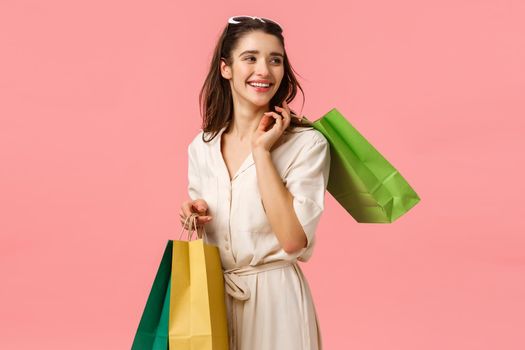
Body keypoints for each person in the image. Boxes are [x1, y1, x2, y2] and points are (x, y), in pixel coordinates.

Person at [179, 15, 330, 350]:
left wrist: (262, 153)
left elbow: (293, 241)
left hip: (278, 302)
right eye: (250, 58)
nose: (264, 70)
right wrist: (195, 212)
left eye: (275, 60)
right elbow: (217, 223)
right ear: (226, 68)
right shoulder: (201, 147)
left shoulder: (307, 145)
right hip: (213, 301)